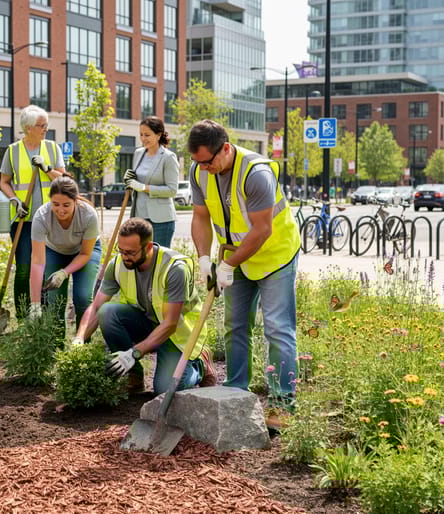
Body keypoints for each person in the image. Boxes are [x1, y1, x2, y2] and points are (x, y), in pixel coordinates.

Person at [187, 119, 300, 430]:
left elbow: (262, 230)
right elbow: (200, 217)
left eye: (207, 161)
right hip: (235, 256)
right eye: (197, 162)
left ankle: (282, 404)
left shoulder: (256, 173)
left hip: (275, 256)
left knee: (277, 329)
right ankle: (236, 392)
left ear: (225, 148)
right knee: (235, 326)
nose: (203, 168)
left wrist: (228, 265)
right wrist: (204, 259)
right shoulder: (200, 171)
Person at [72, 218, 215, 394]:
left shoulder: (174, 268)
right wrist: (79, 339)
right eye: (121, 250)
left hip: (177, 334)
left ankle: (200, 367)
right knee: (107, 312)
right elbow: (95, 307)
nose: (124, 257)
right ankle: (134, 376)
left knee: (164, 390)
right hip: (147, 323)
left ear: (147, 248)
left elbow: (170, 324)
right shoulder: (117, 264)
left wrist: (133, 353)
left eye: (130, 252)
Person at [0, 105, 67, 318]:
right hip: (24, 219)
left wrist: (47, 168)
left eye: (46, 124)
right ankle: (22, 314)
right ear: (28, 128)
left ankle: (44, 313)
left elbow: (63, 180)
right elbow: (4, 182)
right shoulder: (13, 151)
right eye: (41, 125)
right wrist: (14, 200)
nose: (46, 128)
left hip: (51, 218)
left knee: (46, 268)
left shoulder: (52, 148)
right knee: (23, 269)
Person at [29, 176, 101, 335]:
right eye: (55, 204)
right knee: (55, 301)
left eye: (66, 205)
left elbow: (85, 253)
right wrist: (34, 304)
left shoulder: (88, 215)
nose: (60, 210)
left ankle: (82, 343)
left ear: (75, 201)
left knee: (82, 297)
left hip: (84, 252)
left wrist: (64, 272)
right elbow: (37, 262)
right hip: (55, 251)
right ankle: (56, 346)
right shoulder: (41, 217)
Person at [123, 116, 180, 248]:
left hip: (161, 220)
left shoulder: (168, 157)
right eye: (141, 135)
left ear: (159, 135)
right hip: (139, 217)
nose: (143, 139)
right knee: (140, 256)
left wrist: (144, 187)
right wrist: (129, 179)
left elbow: (172, 190)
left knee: (158, 259)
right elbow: (136, 180)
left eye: (147, 135)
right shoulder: (138, 153)